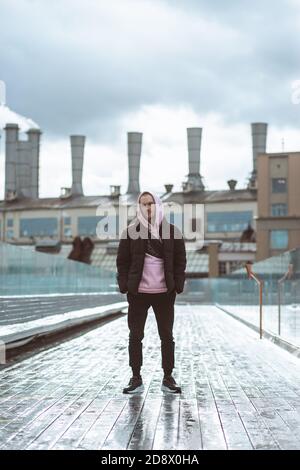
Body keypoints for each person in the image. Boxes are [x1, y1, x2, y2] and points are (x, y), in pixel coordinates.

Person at [116, 190, 186, 394]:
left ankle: (168, 376)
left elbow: (181, 260)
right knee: (135, 335)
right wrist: (126, 286)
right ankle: (135, 376)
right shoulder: (130, 232)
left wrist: (177, 285)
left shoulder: (173, 232)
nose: (147, 207)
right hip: (138, 293)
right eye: (143, 204)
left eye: (150, 203)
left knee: (167, 335)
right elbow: (122, 262)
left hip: (164, 293)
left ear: (158, 205)